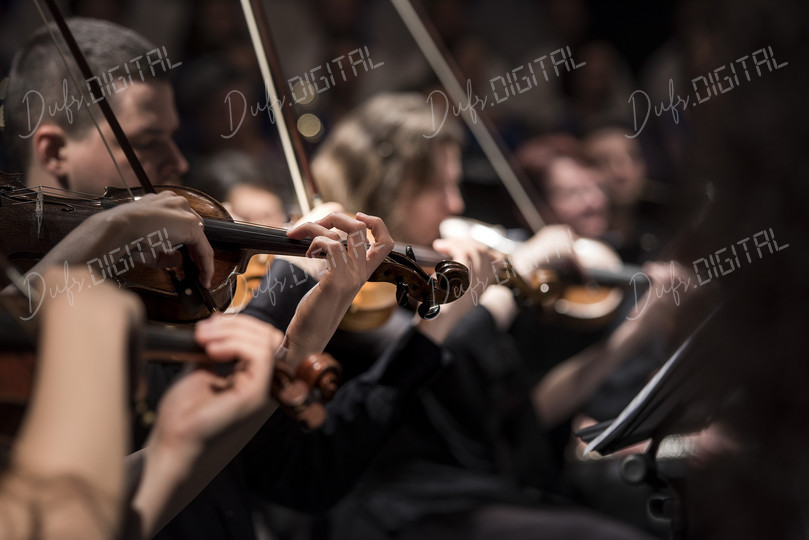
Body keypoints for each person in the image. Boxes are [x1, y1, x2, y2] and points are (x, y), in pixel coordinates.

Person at [1, 17, 457, 540]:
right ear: (54, 152)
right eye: (148, 141)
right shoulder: (47, 314)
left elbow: (251, 461)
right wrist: (106, 232)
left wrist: (309, 323)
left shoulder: (164, 291)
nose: (176, 161)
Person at [305, 92, 681, 539]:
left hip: (475, 492)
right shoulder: (352, 291)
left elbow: (519, 415)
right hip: (396, 507)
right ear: (387, 185)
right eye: (438, 187)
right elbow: (426, 356)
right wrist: (506, 284)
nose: (456, 204)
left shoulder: (427, 276)